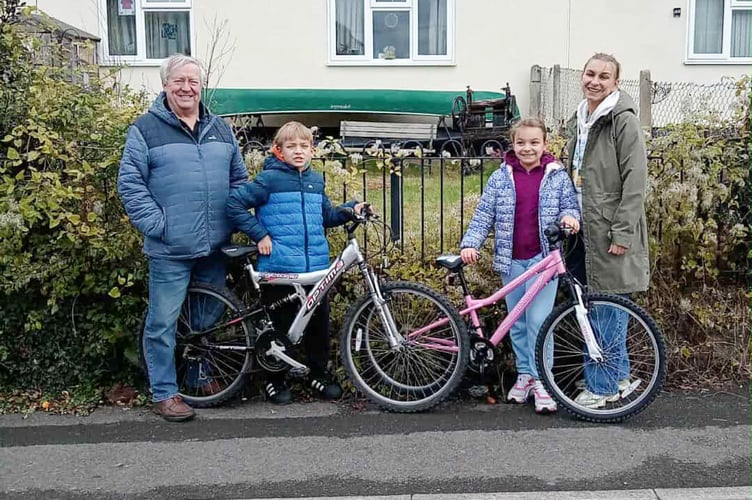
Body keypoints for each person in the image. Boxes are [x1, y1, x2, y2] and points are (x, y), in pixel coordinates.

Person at [118, 54, 249, 422]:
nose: (187, 87)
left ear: (200, 86)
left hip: (215, 244)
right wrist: (158, 225)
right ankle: (165, 392)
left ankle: (198, 376)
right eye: (179, 81)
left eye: (193, 80)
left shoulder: (221, 129)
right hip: (170, 247)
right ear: (165, 86)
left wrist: (236, 217)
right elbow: (130, 184)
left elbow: (239, 180)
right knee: (163, 323)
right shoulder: (145, 129)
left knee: (207, 319)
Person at [226, 121, 365, 405]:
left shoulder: (316, 181)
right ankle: (274, 380)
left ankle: (317, 374)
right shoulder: (269, 180)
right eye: (291, 146)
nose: (298, 151)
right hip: (279, 266)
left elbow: (327, 216)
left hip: (315, 267)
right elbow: (233, 205)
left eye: (304, 146)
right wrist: (259, 233)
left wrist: (351, 209)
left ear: (313, 151)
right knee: (279, 326)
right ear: (279, 150)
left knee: (317, 326)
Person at [460, 118, 581, 414]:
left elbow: (570, 205)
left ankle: (543, 381)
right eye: (521, 142)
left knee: (540, 323)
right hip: (510, 260)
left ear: (544, 145)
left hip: (543, 261)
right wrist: (470, 243)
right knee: (517, 323)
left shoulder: (556, 175)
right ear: (512, 145)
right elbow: (484, 214)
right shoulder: (501, 177)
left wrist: (570, 218)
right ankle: (525, 374)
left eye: (534, 142)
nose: (527, 148)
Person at [564, 53, 650, 409]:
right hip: (582, 225)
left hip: (609, 226)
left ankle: (600, 388)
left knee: (605, 306)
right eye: (589, 74)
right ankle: (619, 377)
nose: (594, 81)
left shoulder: (621, 121)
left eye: (604, 76)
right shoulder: (580, 118)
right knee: (603, 305)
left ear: (616, 83)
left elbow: (636, 180)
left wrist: (622, 231)